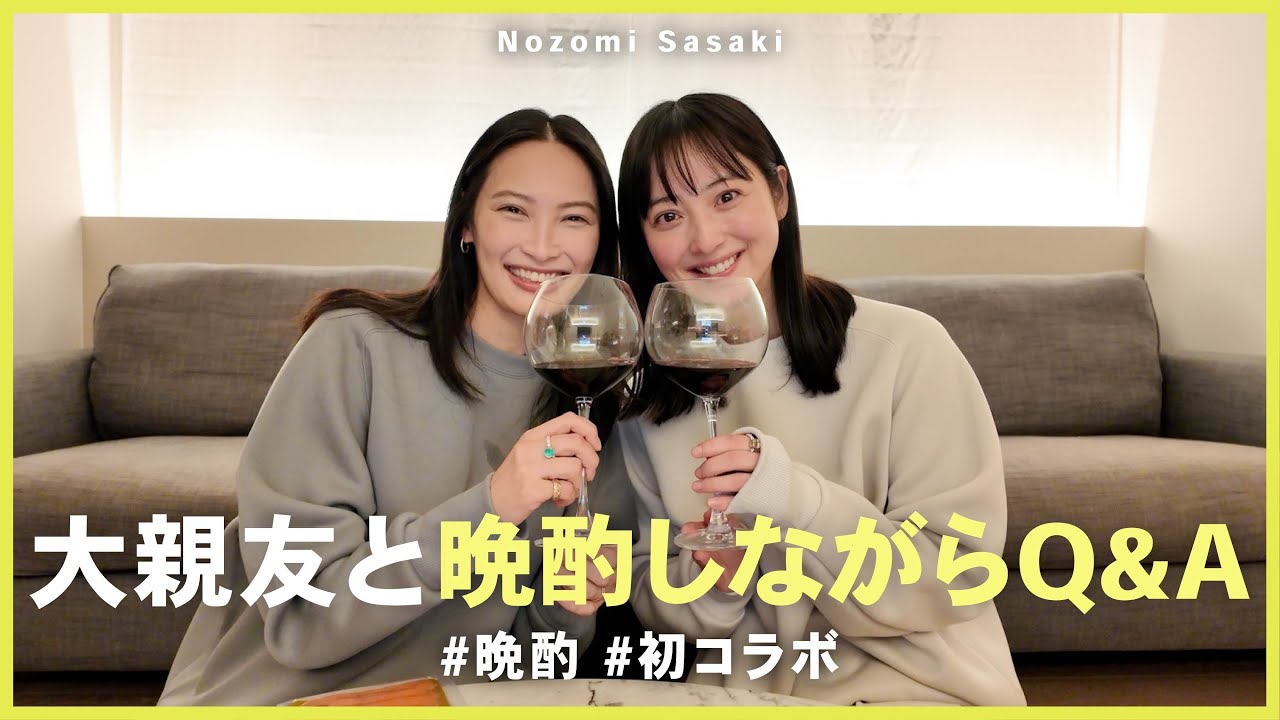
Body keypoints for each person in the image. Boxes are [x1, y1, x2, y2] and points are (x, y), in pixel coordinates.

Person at [159, 108, 632, 705]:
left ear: (598, 242)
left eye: (574, 218)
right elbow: (302, 617)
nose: (541, 245)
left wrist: (567, 608)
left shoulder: (592, 406)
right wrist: (489, 508)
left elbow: (532, 663)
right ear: (467, 223)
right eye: (514, 209)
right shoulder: (351, 347)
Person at [613, 93, 1027, 706]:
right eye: (668, 215)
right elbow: (653, 590)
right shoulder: (648, 396)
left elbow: (958, 573)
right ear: (643, 237)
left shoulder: (906, 348)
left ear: (779, 192)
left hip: (915, 685)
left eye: (726, 196)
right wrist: (713, 585)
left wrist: (794, 499)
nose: (705, 238)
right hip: (741, 693)